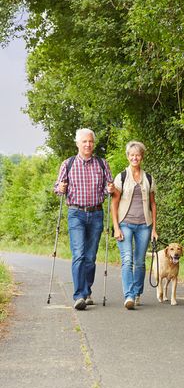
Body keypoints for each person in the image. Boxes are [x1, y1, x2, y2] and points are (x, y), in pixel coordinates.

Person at [54, 128, 114, 310]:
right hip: (76, 213)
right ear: (77, 143)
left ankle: (87, 291)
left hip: (96, 213)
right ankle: (79, 295)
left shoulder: (102, 164)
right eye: (84, 141)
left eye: (90, 142)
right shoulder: (68, 163)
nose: (88, 144)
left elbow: (108, 187)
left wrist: (110, 189)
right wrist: (60, 188)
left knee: (90, 257)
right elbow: (57, 187)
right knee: (79, 255)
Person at [111, 140, 158, 310]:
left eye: (137, 155)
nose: (135, 157)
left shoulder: (148, 178)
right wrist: (116, 227)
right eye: (132, 155)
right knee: (127, 259)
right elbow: (114, 204)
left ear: (142, 157)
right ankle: (129, 296)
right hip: (125, 224)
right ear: (128, 157)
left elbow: (153, 205)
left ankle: (137, 293)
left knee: (139, 262)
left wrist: (154, 228)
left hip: (144, 225)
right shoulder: (121, 177)